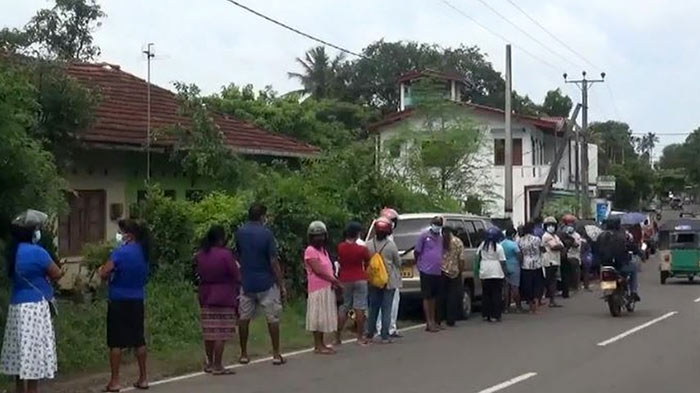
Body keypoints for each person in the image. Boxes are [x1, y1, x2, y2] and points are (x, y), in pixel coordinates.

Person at [0, 210, 63, 393]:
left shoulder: (13, 253)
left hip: (16, 306)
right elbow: (56, 273)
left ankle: (20, 389)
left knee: (20, 351)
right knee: (33, 354)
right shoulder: (39, 252)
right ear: (32, 232)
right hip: (35, 307)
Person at [99, 219, 150, 391]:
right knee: (139, 339)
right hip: (137, 298)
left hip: (119, 299)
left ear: (129, 234)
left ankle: (115, 381)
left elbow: (105, 272)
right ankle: (143, 378)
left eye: (120, 232)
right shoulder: (144, 252)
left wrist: (102, 272)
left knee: (116, 342)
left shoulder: (120, 253)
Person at [236, 203, 286, 366]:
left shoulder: (240, 232)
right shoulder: (266, 234)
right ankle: (276, 354)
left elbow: (238, 254)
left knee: (244, 319)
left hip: (247, 281)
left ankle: (243, 353)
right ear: (262, 216)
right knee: (272, 318)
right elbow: (273, 260)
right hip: (266, 282)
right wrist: (281, 282)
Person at [195, 225, 241, 375]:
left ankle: (209, 363)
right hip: (224, 295)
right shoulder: (225, 255)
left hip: (206, 294)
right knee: (221, 332)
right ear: (221, 238)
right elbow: (235, 274)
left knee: (209, 331)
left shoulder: (201, 254)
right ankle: (218, 364)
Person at [304, 221, 340, 354]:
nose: (319, 239)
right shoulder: (310, 251)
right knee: (318, 317)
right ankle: (318, 345)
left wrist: (333, 281)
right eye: (316, 236)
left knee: (323, 317)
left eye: (321, 236)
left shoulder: (323, 251)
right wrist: (334, 280)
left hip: (327, 287)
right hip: (317, 288)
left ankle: (322, 344)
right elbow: (318, 270)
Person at [366, 218, 401, 343]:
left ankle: (369, 333)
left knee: (373, 308)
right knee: (387, 308)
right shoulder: (391, 245)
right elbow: (398, 262)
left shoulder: (368, 245)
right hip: (388, 281)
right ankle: (384, 335)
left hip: (373, 280)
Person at [336, 222, 371, 346]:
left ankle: (337, 337)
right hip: (360, 277)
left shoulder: (340, 247)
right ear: (357, 234)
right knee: (360, 307)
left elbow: (339, 261)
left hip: (345, 278)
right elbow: (368, 261)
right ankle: (360, 337)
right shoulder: (362, 249)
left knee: (345, 306)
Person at [414, 216, 444, 332]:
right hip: (426, 270)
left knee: (434, 297)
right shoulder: (424, 236)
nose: (437, 226)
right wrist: (419, 264)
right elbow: (417, 251)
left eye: (439, 224)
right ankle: (429, 322)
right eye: (436, 223)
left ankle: (434, 321)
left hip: (437, 271)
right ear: (431, 224)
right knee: (427, 296)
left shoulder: (440, 238)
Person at [376, 207, 402, 338]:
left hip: (378, 276)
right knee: (391, 302)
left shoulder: (373, 240)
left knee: (381, 303)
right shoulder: (389, 241)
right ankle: (388, 328)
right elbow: (397, 260)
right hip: (390, 275)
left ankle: (384, 327)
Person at [476, 227, 506, 322]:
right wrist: (505, 272)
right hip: (496, 271)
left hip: (485, 270)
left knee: (486, 294)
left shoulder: (482, 246)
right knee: (496, 294)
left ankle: (486, 314)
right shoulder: (499, 247)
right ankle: (495, 315)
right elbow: (502, 261)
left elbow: (478, 257)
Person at [437, 227, 465, 327]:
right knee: (452, 296)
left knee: (440, 296)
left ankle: (438, 319)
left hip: (440, 271)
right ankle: (451, 319)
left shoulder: (439, 242)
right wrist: (460, 270)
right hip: (454, 272)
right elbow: (461, 259)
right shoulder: (458, 242)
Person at [518, 222, 544, 314]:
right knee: (537, 286)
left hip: (525, 265)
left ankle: (530, 307)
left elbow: (520, 253)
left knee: (528, 286)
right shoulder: (537, 239)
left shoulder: (520, 240)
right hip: (537, 264)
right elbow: (542, 249)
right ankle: (536, 307)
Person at [541, 216, 564, 308]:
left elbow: (561, 245)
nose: (551, 227)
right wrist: (559, 246)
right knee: (549, 281)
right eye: (549, 225)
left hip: (555, 260)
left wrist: (559, 246)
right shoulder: (546, 236)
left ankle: (552, 300)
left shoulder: (555, 236)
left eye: (552, 225)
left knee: (553, 281)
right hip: (549, 261)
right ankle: (546, 299)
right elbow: (555, 247)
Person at [501, 227, 523, 313]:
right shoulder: (514, 244)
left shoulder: (501, 244)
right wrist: (520, 263)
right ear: (513, 235)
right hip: (514, 266)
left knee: (506, 288)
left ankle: (506, 308)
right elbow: (519, 255)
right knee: (515, 287)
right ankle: (518, 307)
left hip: (504, 267)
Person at [560, 216, 582, 295]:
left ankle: (576, 287)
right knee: (567, 274)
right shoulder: (563, 233)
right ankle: (569, 287)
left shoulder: (576, 235)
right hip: (566, 256)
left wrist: (571, 242)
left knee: (575, 272)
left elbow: (577, 245)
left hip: (574, 256)